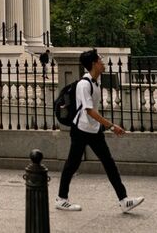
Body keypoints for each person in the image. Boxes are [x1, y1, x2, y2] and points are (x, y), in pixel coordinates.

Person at [54, 49, 144, 214]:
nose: (103, 63)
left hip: (93, 129)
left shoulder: (96, 82)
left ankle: (124, 200)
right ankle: (61, 199)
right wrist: (111, 126)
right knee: (72, 164)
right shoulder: (84, 84)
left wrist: (102, 126)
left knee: (109, 163)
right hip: (81, 130)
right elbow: (89, 110)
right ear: (94, 63)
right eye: (100, 60)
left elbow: (92, 111)